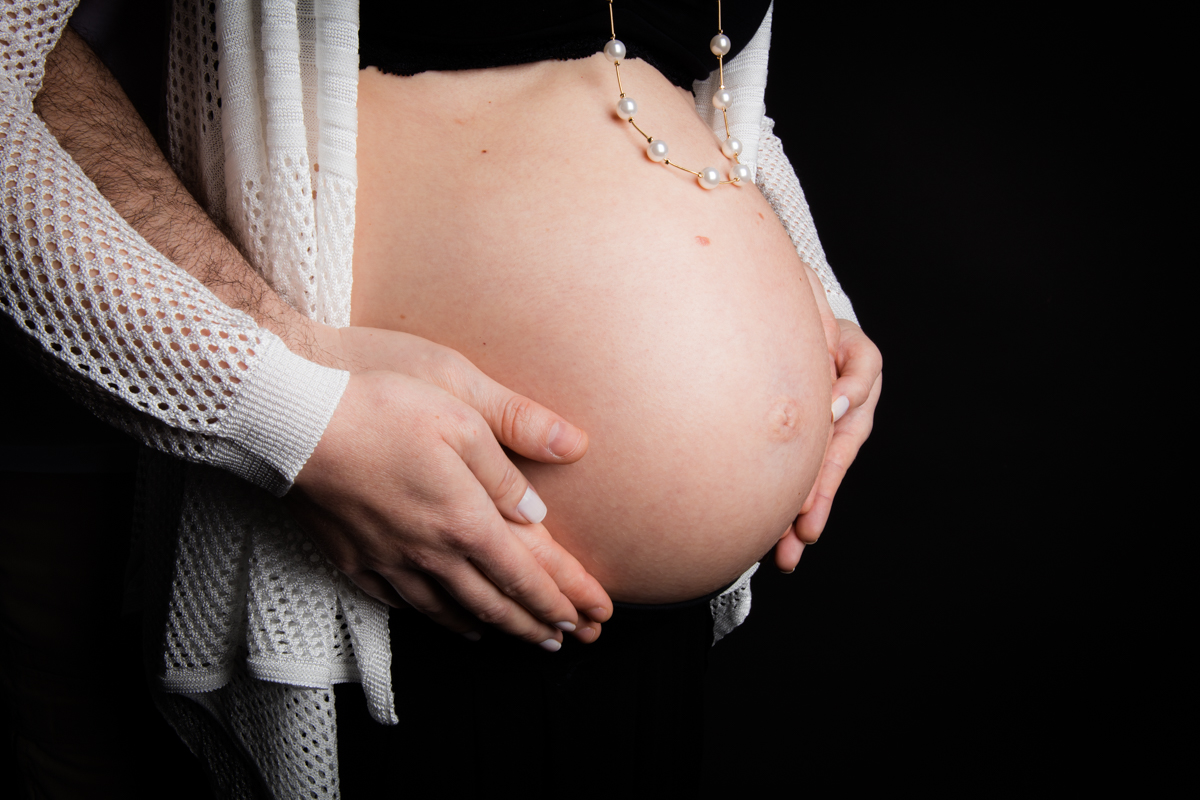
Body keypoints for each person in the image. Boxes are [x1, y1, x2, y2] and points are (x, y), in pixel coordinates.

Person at [1, 1, 882, 795]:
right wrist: (293, 413)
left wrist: (813, 304)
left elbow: (702, 96)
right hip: (388, 565)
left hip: (662, 636)